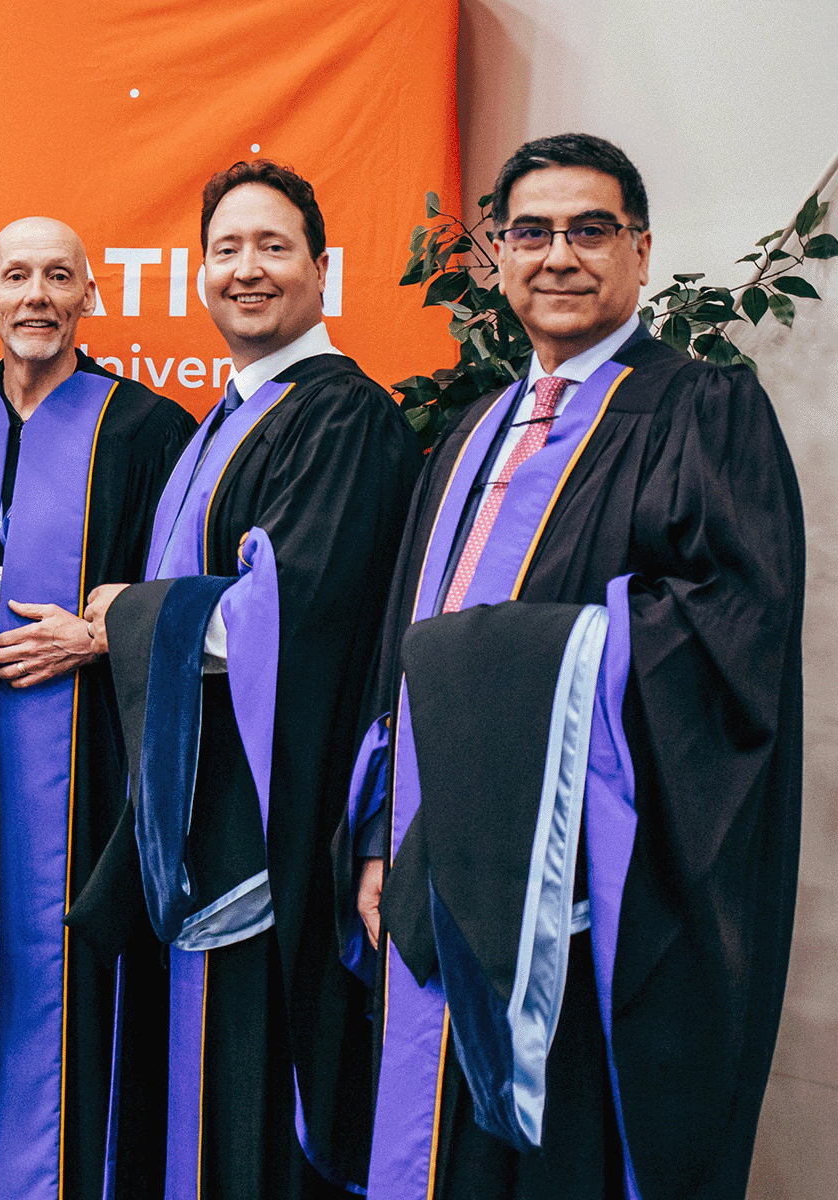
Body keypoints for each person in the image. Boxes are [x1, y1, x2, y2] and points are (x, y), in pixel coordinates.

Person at [348, 133, 803, 1200]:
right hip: (434, 864)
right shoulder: (469, 433)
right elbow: (399, 652)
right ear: (497, 256)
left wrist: (514, 664)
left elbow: (729, 631)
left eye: (590, 230)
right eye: (531, 232)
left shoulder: (701, 410)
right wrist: (378, 837)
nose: (559, 255)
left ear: (640, 253)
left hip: (592, 881)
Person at [66, 161, 421, 1200]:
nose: (247, 270)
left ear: (324, 268)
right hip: (195, 820)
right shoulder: (225, 416)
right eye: (226, 249)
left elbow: (288, 620)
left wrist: (125, 611)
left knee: (247, 1113)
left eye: (274, 247)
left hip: (263, 832)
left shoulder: (342, 419)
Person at [0, 217, 198, 1200]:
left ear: (91, 294)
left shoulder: (148, 430)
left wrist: (100, 636)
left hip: (88, 759)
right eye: (17, 275)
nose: (37, 294)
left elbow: (188, 599)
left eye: (59, 276)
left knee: (64, 977)